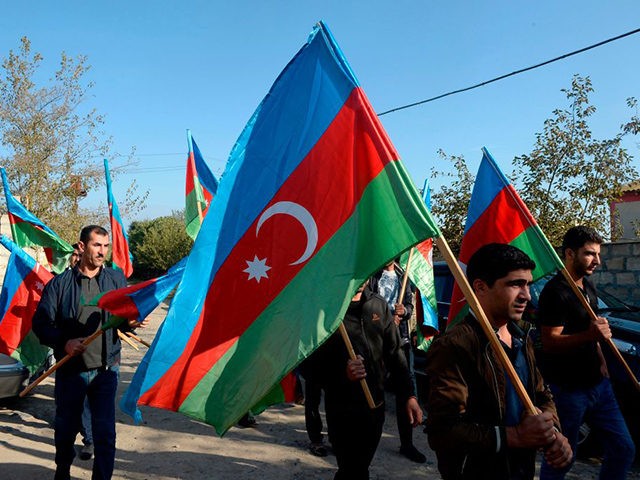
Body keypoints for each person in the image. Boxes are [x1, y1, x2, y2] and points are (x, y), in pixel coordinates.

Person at [424, 243, 572, 479]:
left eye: (528, 285)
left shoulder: (522, 336)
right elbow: (442, 431)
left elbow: (541, 394)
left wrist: (552, 432)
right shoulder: (455, 345)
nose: (526, 296)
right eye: (515, 284)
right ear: (481, 287)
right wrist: (515, 436)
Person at [33, 225, 141, 480]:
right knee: (65, 428)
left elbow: (122, 319)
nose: (103, 251)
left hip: (107, 369)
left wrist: (132, 322)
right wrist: (64, 342)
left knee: (105, 433)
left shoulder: (115, 280)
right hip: (71, 370)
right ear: (81, 247)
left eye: (106, 246)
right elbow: (41, 325)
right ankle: (63, 470)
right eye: (97, 245)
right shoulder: (59, 285)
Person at [537, 226, 635, 479]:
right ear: (570, 253)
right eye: (590, 254)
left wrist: (602, 361)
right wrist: (590, 336)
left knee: (623, 449)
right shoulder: (555, 292)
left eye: (598, 254)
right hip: (568, 389)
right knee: (562, 458)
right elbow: (550, 342)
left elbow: (593, 332)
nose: (598, 261)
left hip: (599, 386)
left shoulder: (588, 286)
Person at [311, 280, 422, 479]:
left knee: (361, 467)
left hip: (374, 407)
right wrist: (343, 374)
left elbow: (396, 354)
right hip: (341, 409)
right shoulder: (326, 309)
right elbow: (310, 367)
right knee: (349, 469)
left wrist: (409, 396)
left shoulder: (378, 305)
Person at [369, 261, 426, 463]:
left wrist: (404, 312)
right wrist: (383, 318)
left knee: (406, 392)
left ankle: (407, 444)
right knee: (373, 389)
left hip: (401, 341)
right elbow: (367, 306)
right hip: (377, 342)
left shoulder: (404, 277)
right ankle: (365, 439)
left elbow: (410, 305)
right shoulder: (372, 276)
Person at [68, 242, 94, 462]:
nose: (76, 258)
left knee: (87, 403)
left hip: (97, 360)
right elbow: (45, 322)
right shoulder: (61, 283)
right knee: (67, 410)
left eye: (79, 254)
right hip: (68, 360)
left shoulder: (107, 280)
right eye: (73, 255)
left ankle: (89, 441)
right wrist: (64, 341)